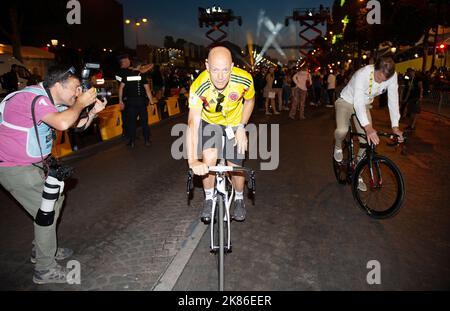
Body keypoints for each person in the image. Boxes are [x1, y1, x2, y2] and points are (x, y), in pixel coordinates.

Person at [0, 65, 107, 284]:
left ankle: (40, 249)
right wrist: (80, 103)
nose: (78, 93)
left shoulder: (51, 101)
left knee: (56, 201)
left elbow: (75, 125)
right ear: (58, 84)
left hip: (35, 164)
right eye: (76, 88)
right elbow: (64, 122)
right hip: (14, 168)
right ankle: (44, 269)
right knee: (46, 211)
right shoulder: (32, 99)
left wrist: (93, 113)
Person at [186, 45, 255, 223]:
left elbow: (250, 101)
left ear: (232, 67)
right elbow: (193, 123)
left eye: (225, 70)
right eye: (215, 69)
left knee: (235, 164)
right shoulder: (199, 86)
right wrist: (193, 160)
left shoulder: (244, 79)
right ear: (207, 66)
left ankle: (239, 199)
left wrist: (241, 126)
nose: (220, 76)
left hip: (234, 122)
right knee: (209, 159)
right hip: (211, 122)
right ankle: (209, 198)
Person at [333, 56, 403, 191]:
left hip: (364, 105)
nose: (381, 81)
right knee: (342, 130)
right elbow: (357, 101)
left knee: (367, 142)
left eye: (385, 80)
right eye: (379, 77)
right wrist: (368, 127)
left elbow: (393, 100)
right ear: (374, 68)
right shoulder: (363, 74)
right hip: (347, 101)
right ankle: (337, 145)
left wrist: (395, 126)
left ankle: (357, 172)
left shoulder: (392, 76)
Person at [117, 59, 154, 148]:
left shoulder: (126, 76)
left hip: (130, 103)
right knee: (144, 122)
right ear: (139, 66)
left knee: (132, 123)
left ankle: (132, 142)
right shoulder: (142, 76)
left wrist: (120, 101)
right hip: (141, 102)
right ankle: (147, 141)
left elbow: (121, 88)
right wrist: (152, 103)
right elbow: (147, 90)